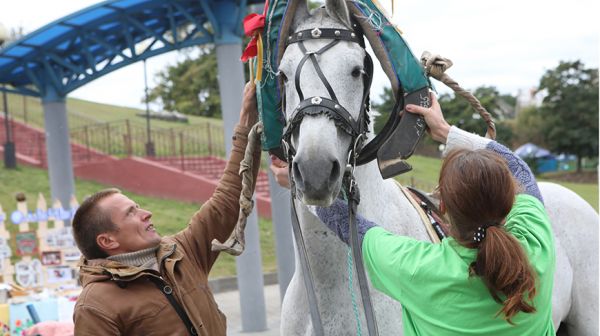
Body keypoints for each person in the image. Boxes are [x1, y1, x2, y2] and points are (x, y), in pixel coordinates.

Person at [270, 94, 555, 335]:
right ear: (510, 200)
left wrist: (301, 184)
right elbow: (519, 169)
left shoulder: (417, 268)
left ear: (442, 206)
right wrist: (447, 131)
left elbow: (348, 226)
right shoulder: (536, 245)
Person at [72, 82, 260, 336]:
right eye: (131, 213)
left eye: (137, 207)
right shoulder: (95, 305)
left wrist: (248, 127)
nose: (146, 213)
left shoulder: (182, 252)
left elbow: (227, 201)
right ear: (107, 240)